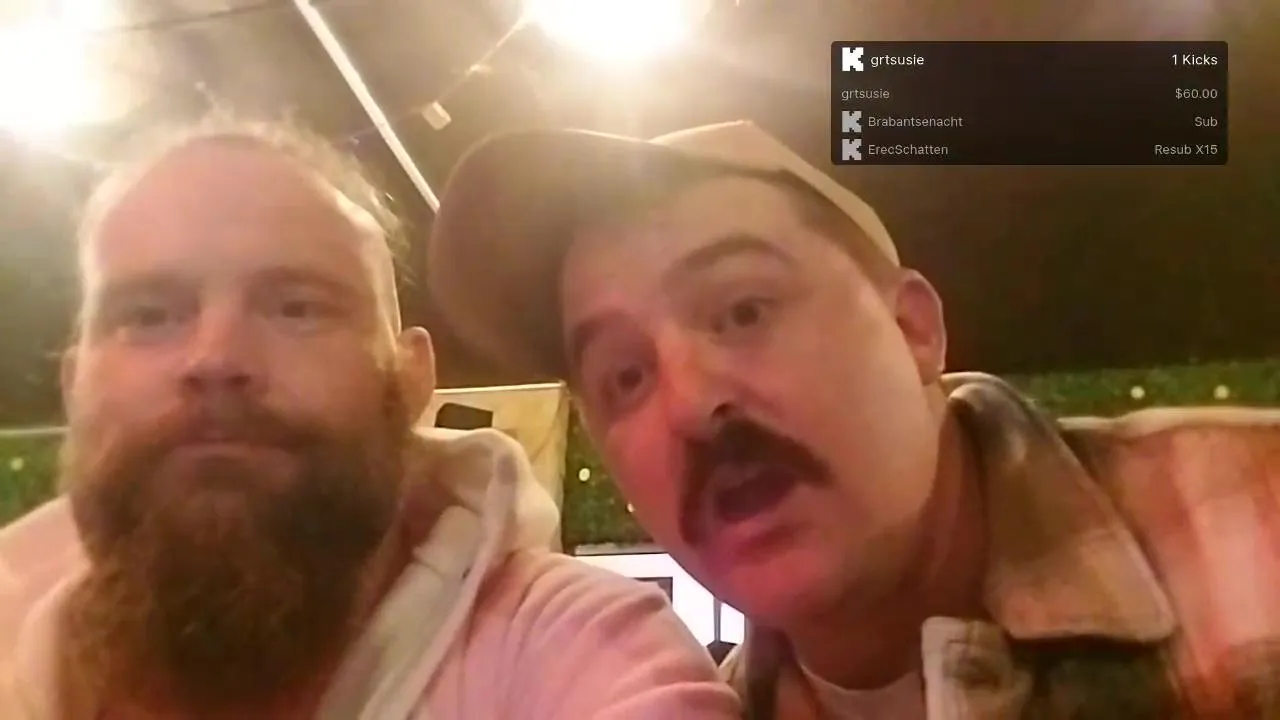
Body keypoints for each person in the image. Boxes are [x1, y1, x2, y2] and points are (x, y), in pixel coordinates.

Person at [425, 119, 1280, 718]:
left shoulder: (1251, 526)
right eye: (625, 375)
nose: (691, 403)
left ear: (913, 330)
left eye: (743, 311)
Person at [0, 119, 742, 719]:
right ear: (74, 383)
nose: (216, 357)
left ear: (413, 379)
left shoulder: (576, 654)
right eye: (149, 315)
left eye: (297, 307)